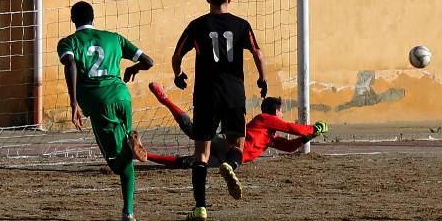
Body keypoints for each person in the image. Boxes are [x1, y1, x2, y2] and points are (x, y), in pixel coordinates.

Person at [172, 0, 266, 221]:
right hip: (233, 92)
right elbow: (257, 52)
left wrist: (178, 75)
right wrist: (262, 79)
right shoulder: (242, 25)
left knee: (201, 153)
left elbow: (177, 54)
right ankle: (230, 166)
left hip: (205, 95)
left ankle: (200, 207)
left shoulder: (197, 25)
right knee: (237, 144)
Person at [58, 1, 153, 221]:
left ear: (73, 20)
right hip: (122, 96)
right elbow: (148, 61)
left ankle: (129, 212)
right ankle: (131, 145)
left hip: (100, 103)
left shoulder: (69, 42)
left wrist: (73, 104)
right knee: (124, 150)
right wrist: (133, 68)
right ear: (94, 18)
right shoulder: (115, 38)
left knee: (117, 163)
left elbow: (70, 64)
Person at [129, 85, 327, 168]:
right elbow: (292, 129)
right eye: (282, 112)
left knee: (189, 164)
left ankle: (143, 155)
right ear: (276, 112)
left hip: (227, 161)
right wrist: (312, 128)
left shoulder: (270, 137)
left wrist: (309, 137)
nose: (283, 116)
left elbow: (290, 147)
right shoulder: (265, 118)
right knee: (195, 131)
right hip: (226, 146)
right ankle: (165, 99)